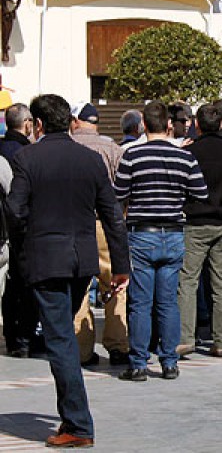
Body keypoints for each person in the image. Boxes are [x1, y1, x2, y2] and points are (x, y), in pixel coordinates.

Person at [7, 94, 130, 448]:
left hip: (47, 259)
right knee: (64, 334)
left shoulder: (27, 158)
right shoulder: (91, 159)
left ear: (39, 125)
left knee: (60, 339)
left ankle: (77, 424)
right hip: (82, 260)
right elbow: (113, 216)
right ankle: (72, 417)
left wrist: (28, 238)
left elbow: (15, 210)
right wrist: (120, 266)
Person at [114, 100, 208, 382]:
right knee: (168, 302)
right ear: (169, 124)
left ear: (143, 124)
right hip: (174, 234)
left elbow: (118, 193)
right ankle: (169, 362)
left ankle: (139, 363)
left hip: (142, 234)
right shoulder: (185, 157)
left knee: (140, 303)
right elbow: (201, 193)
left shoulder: (132, 156)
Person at [69, 102, 130, 366]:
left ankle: (82, 348)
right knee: (115, 284)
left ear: (75, 121)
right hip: (107, 224)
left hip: (77, 224)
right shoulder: (113, 149)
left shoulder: (69, 148)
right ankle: (118, 345)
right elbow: (124, 189)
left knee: (80, 286)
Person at [176, 104, 222, 358]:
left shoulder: (191, 151)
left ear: (197, 125)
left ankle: (185, 337)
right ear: (221, 123)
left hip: (195, 222)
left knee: (188, 280)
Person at [0, 102, 39, 357]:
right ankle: (23, 337)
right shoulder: (26, 154)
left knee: (9, 286)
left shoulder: (3, 149)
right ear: (27, 125)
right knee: (25, 285)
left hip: (5, 230)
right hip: (22, 229)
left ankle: (13, 336)